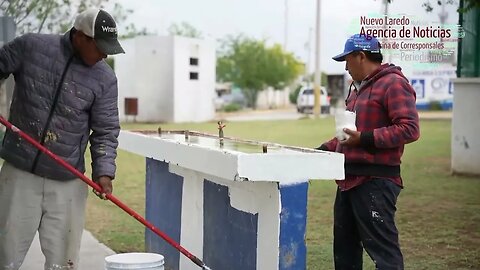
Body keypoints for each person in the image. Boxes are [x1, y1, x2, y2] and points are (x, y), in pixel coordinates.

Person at [0, 8, 124, 270]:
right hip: (20, 173)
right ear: (81, 37)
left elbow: (105, 129)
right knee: (4, 256)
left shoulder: (105, 79)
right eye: (100, 47)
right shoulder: (31, 46)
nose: (104, 54)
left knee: (64, 263)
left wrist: (104, 173)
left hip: (67, 182)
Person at [317, 34, 420, 270]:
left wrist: (364, 139)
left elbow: (409, 129)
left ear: (360, 56)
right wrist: (323, 149)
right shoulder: (356, 90)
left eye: (347, 60)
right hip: (347, 181)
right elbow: (348, 136)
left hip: (376, 182)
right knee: (345, 252)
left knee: (383, 254)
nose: (345, 67)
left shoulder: (393, 83)